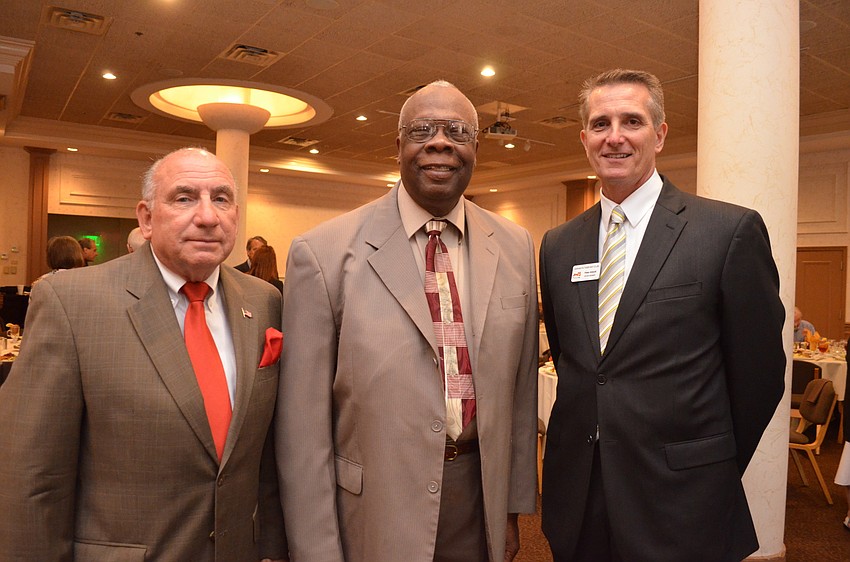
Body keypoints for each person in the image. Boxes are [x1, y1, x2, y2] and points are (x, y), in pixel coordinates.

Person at [277, 80, 538, 562]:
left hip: (478, 503)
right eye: (423, 130)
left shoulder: (516, 246)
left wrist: (511, 511)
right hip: (373, 512)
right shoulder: (323, 253)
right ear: (397, 146)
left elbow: (521, 394)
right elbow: (302, 429)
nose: (440, 141)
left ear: (476, 146)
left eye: (457, 130)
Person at [539, 69, 785, 562]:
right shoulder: (559, 245)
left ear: (660, 134)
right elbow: (577, 361)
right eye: (600, 123)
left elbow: (760, 375)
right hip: (580, 493)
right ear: (584, 138)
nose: (615, 136)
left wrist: (706, 460)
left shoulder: (726, 231)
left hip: (682, 497)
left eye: (632, 120)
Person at [0, 147, 287, 561]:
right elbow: (31, 477)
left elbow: (265, 463)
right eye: (185, 198)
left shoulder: (263, 302)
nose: (207, 216)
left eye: (221, 198)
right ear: (147, 218)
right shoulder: (72, 302)